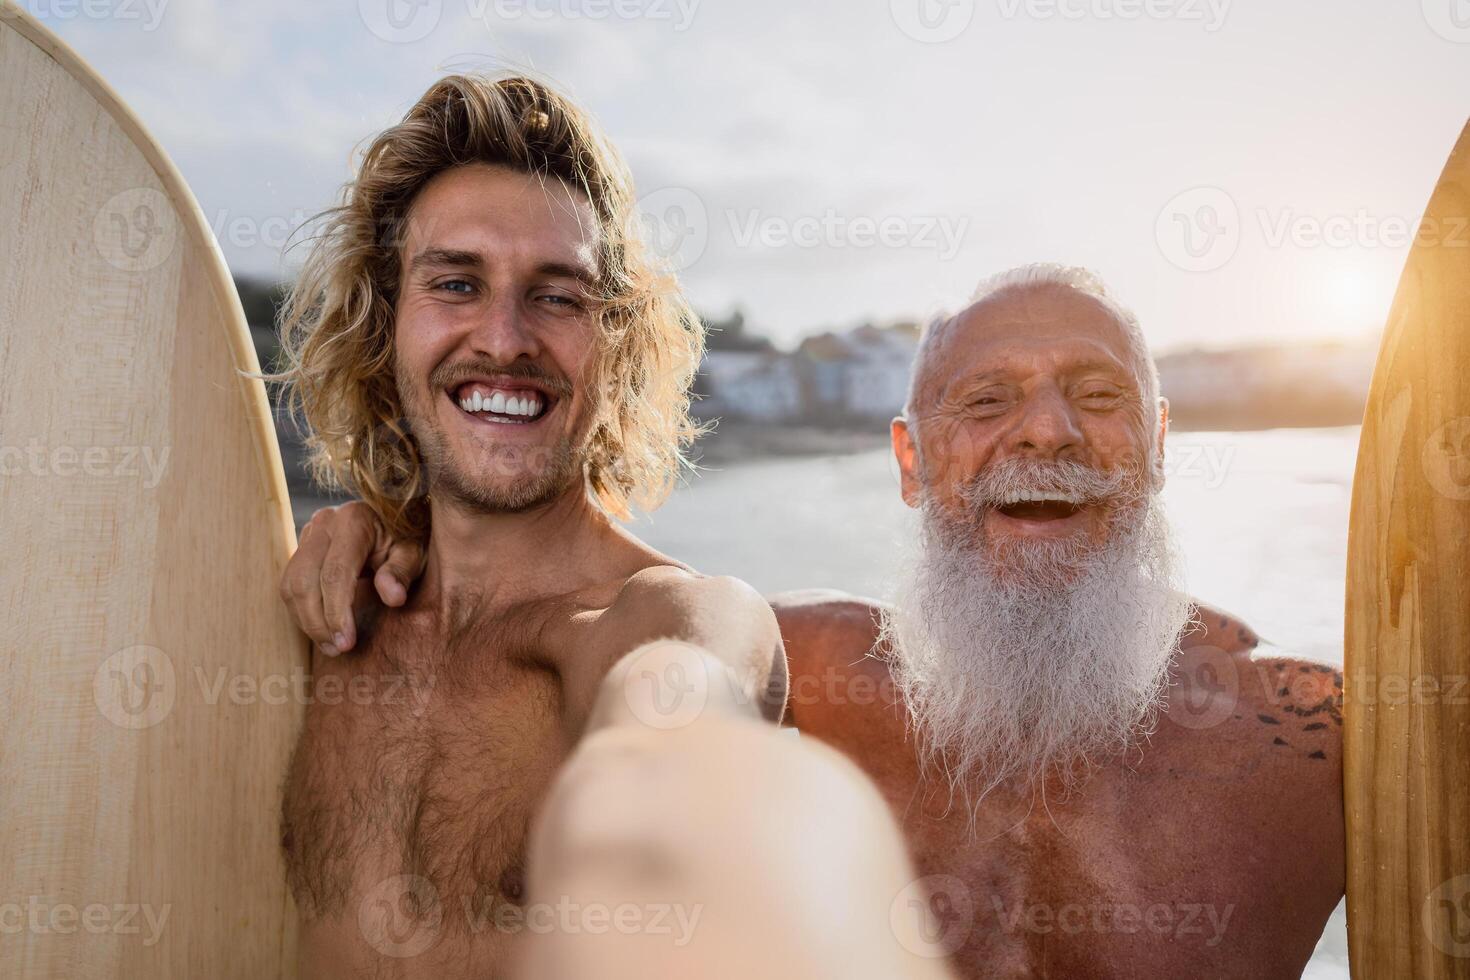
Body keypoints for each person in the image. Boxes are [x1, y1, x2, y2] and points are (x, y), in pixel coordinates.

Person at [287, 264, 1345, 977]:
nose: (1046, 428)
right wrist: (405, 542)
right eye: (985, 401)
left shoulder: (1313, 748)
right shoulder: (800, 670)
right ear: (909, 462)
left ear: (1159, 442)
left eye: (1098, 393)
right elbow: (578, 632)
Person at [274, 71, 938, 979]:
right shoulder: (328, 614)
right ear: (387, 325)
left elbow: (684, 740)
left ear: (618, 342)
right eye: (457, 283)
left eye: (557, 295)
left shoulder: (660, 618)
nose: (504, 338)